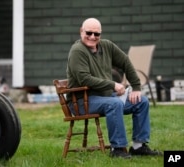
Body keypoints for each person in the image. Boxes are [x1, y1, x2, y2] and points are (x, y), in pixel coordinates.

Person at [66, 18, 161, 158]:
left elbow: (125, 61)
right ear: (81, 31)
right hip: (81, 101)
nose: (92, 37)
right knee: (115, 104)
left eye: (96, 34)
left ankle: (138, 146)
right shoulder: (77, 51)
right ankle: (117, 149)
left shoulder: (106, 46)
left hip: (105, 97)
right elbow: (84, 79)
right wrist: (113, 85)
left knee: (141, 101)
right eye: (89, 32)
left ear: (100, 34)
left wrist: (136, 87)